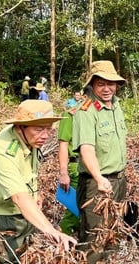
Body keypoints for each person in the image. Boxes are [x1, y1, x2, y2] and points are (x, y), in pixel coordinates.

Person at [0, 100, 76, 264]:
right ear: (20, 127)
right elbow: (18, 196)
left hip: (19, 214)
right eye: (38, 129)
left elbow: (28, 174)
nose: (45, 135)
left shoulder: (31, 140)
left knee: (20, 262)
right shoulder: (3, 152)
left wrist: (37, 194)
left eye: (48, 129)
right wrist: (51, 231)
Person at [72, 60, 132, 264]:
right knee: (95, 235)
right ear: (92, 86)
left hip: (118, 181)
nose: (107, 89)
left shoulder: (116, 106)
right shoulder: (86, 111)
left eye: (111, 84)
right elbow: (86, 149)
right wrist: (99, 178)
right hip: (96, 184)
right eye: (101, 84)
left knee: (113, 231)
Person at [57, 90, 84, 235]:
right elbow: (63, 144)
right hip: (77, 165)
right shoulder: (70, 115)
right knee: (75, 208)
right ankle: (62, 239)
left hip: (97, 167)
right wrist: (63, 172)